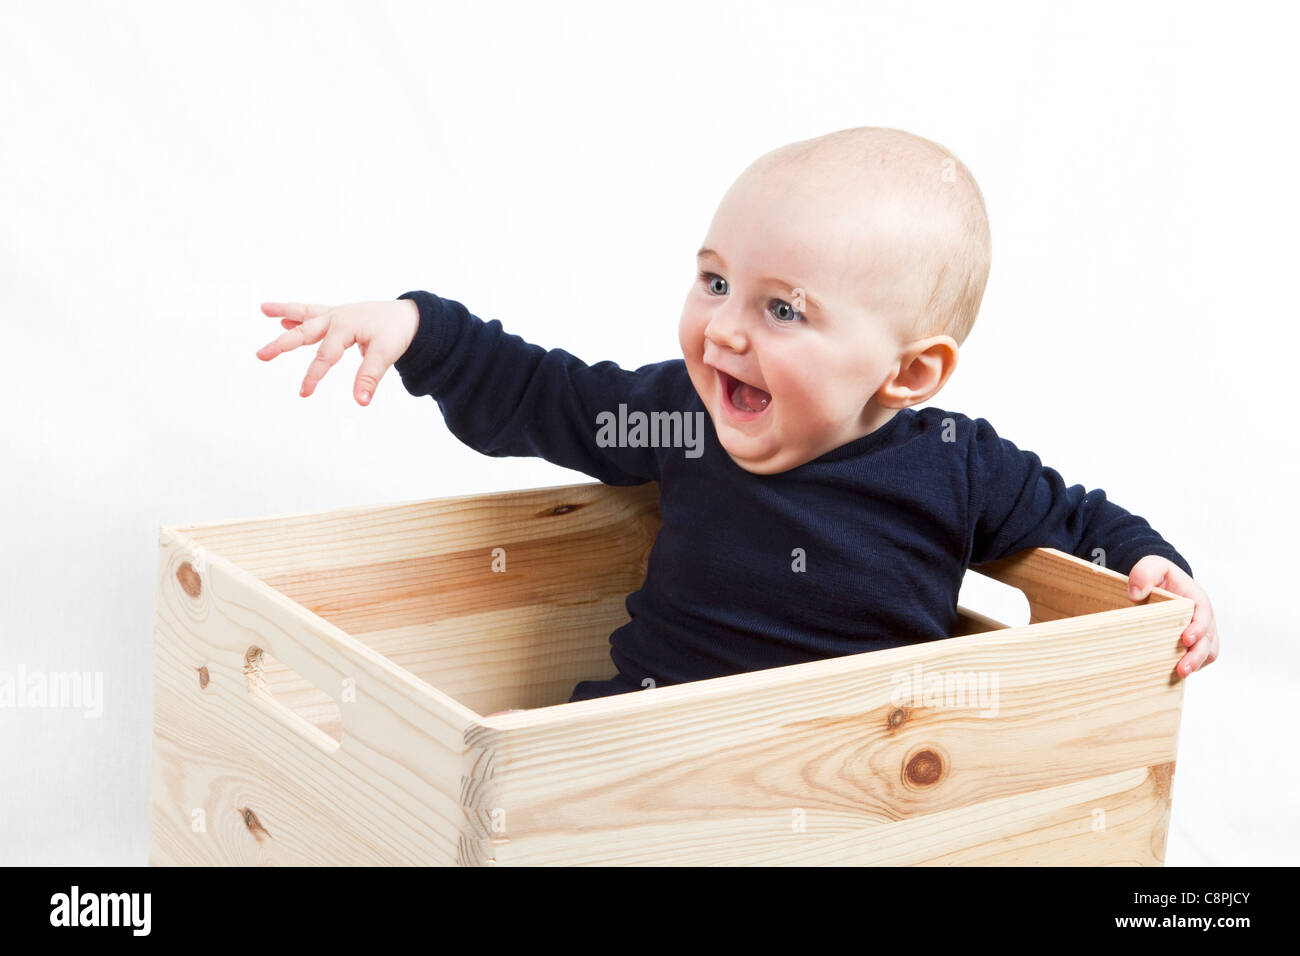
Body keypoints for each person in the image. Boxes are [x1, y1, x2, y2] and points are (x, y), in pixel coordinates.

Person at [255, 126, 1219, 705]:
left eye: (782, 308)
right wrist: (425, 333)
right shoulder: (682, 422)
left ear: (911, 372)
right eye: (715, 280)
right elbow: (550, 399)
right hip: (639, 742)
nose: (723, 330)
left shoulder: (958, 467)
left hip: (850, 773)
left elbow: (1082, 524)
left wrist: (1155, 569)